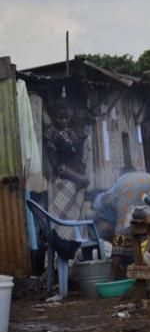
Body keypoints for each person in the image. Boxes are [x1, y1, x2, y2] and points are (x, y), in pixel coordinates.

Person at [92, 171, 150, 279]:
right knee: (147, 221)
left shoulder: (109, 202)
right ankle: (149, 258)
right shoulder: (113, 192)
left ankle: (114, 273)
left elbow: (120, 234)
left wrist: (112, 271)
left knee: (121, 232)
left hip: (130, 185)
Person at [44, 99, 90, 240]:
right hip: (62, 186)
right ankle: (64, 259)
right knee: (64, 227)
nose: (64, 120)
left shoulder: (70, 132)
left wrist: (83, 177)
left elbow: (77, 157)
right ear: (52, 117)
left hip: (77, 186)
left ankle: (78, 258)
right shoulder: (50, 136)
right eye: (60, 117)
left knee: (78, 225)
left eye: (66, 117)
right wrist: (80, 178)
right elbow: (58, 167)